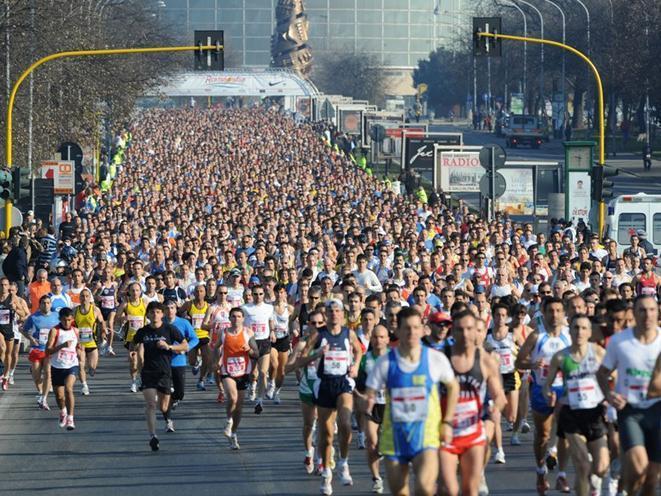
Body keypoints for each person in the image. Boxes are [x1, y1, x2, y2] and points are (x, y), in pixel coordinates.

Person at [365, 306, 459, 496]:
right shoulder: (385, 362)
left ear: (423, 329)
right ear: (397, 330)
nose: (412, 332)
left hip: (426, 436)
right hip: (394, 438)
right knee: (400, 492)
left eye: (416, 327)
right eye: (407, 328)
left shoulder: (434, 359)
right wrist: (368, 420)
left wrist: (448, 421)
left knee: (424, 488)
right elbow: (369, 395)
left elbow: (453, 386)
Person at [597, 295, 661, 496]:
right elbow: (602, 373)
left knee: (651, 479)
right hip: (630, 411)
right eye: (642, 310)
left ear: (658, 313)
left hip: (657, 410)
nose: (647, 315)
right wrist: (609, 394)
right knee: (639, 468)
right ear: (633, 313)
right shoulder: (619, 341)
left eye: (651, 310)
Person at [439, 310, 506, 496]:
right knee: (449, 489)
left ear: (477, 332)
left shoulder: (485, 360)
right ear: (453, 331)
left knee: (470, 489)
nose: (466, 334)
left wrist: (495, 407)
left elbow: (500, 396)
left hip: (472, 434)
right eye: (460, 329)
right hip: (445, 433)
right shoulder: (441, 357)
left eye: (470, 329)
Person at [300, 299, 363, 495]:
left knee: (344, 424)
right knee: (327, 435)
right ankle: (327, 474)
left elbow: (359, 350)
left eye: (337, 311)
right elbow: (303, 356)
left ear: (342, 315)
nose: (334, 314)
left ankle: (343, 463)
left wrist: (356, 366)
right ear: (326, 315)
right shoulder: (319, 335)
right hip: (324, 384)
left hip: (343, 382)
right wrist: (317, 354)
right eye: (331, 311)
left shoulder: (348, 333)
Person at [545, 314, 609, 496]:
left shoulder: (598, 352)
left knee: (602, 467)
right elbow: (547, 385)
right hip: (570, 413)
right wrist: (548, 393)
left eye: (583, 328)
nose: (579, 332)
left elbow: (613, 377)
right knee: (582, 464)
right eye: (575, 328)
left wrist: (612, 397)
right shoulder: (560, 357)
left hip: (595, 413)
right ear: (570, 331)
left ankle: (591, 484)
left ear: (590, 332)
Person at [516, 297, 572, 494]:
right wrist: (532, 365)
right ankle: (541, 470)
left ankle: (562, 475)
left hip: (563, 390)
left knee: (564, 433)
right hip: (541, 389)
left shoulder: (569, 336)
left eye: (558, 310)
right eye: (551, 311)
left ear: (564, 313)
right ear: (544, 313)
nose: (555, 315)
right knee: (543, 435)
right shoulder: (536, 337)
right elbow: (518, 362)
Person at [133, 301, 188, 451]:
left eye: (158, 312)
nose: (155, 315)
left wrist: (169, 346)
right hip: (148, 372)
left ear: (162, 314)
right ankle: (153, 436)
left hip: (165, 372)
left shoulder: (170, 329)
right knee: (150, 404)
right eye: (152, 312)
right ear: (148, 315)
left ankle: (166, 414)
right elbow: (134, 345)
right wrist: (136, 356)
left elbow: (185, 345)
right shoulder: (143, 331)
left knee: (163, 406)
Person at [215, 306, 258, 450]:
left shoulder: (247, 333)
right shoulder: (223, 332)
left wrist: (250, 350)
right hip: (227, 370)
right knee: (232, 398)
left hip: (243, 371)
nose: (236, 319)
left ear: (243, 319)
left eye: (239, 316)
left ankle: (233, 434)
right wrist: (217, 361)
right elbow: (215, 347)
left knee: (239, 408)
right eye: (233, 316)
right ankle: (228, 421)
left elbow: (256, 353)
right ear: (229, 318)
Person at [353, 324, 389, 493]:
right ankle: (376, 478)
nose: (378, 340)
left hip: (390, 407)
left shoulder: (394, 358)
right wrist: (360, 396)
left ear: (387, 339)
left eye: (381, 337)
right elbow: (356, 381)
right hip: (372, 407)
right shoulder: (366, 359)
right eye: (375, 337)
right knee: (371, 443)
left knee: (386, 445)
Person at [22, 294, 60, 410]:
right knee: (37, 377)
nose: (46, 305)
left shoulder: (56, 316)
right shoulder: (33, 317)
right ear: (40, 305)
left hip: (49, 350)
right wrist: (31, 339)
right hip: (37, 349)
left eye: (48, 303)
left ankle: (43, 398)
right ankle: (40, 389)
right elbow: (24, 330)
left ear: (51, 304)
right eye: (43, 303)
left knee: (48, 373)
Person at [45, 307, 81, 430]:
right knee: (59, 397)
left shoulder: (76, 331)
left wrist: (81, 355)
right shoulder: (55, 331)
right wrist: (62, 346)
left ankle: (71, 418)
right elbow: (48, 350)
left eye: (69, 320)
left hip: (72, 365)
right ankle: (63, 411)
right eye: (64, 320)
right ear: (60, 319)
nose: (67, 323)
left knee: (69, 389)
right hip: (57, 366)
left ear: (73, 319)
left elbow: (78, 346)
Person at [242, 284, 275, 413]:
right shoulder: (245, 308)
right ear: (252, 295)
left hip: (265, 342)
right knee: (253, 373)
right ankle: (252, 385)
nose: (258, 296)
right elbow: (242, 325)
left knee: (262, 372)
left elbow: (271, 321)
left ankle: (259, 400)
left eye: (260, 294)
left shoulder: (269, 308)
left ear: (264, 295)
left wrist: (272, 331)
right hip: (251, 342)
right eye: (255, 294)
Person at [164, 299, 198, 415]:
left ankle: (173, 400)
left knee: (180, 393)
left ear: (176, 310)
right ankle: (167, 416)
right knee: (164, 390)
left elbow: (195, 339)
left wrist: (185, 348)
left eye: (172, 308)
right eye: (167, 308)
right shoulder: (159, 323)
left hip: (179, 361)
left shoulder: (183, 323)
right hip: (163, 361)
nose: (170, 311)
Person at [74, 288, 106, 396]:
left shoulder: (95, 310)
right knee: (80, 364)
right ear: (79, 298)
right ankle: (84, 386)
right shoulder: (75, 311)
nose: (84, 298)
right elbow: (70, 325)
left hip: (92, 342)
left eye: (87, 296)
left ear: (90, 297)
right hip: (80, 343)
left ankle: (91, 368)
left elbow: (101, 322)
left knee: (92, 369)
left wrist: (103, 332)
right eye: (82, 296)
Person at [116, 282, 146, 392]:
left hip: (142, 337)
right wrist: (123, 318)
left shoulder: (144, 303)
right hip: (130, 337)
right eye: (132, 290)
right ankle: (134, 381)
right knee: (133, 361)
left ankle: (142, 379)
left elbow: (151, 317)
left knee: (141, 360)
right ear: (129, 291)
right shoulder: (125, 304)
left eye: (137, 290)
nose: (135, 293)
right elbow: (117, 317)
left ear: (140, 291)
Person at [180, 285, 211, 390]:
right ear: (194, 293)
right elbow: (179, 313)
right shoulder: (189, 304)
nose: (199, 293)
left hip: (204, 336)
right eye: (197, 291)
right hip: (192, 337)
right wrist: (185, 318)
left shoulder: (208, 306)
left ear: (205, 293)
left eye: (201, 291)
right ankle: (196, 363)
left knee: (207, 359)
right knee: (192, 361)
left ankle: (201, 380)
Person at [0, 277, 28, 390]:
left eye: (5, 285)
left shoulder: (14, 298)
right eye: (1, 285)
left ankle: (6, 376)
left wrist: (15, 308)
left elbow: (23, 314)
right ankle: (1, 372)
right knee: (2, 348)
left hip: (9, 328)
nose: (3, 287)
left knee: (9, 354)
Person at [267, 283, 293, 404]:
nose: (279, 294)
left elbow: (293, 322)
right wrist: (271, 331)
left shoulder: (289, 308)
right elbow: (268, 320)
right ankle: (271, 383)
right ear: (274, 293)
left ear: (285, 294)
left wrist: (295, 330)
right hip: (272, 339)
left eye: (282, 292)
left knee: (282, 370)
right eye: (277, 292)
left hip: (284, 339)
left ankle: (277, 392)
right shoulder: (269, 307)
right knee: (274, 364)